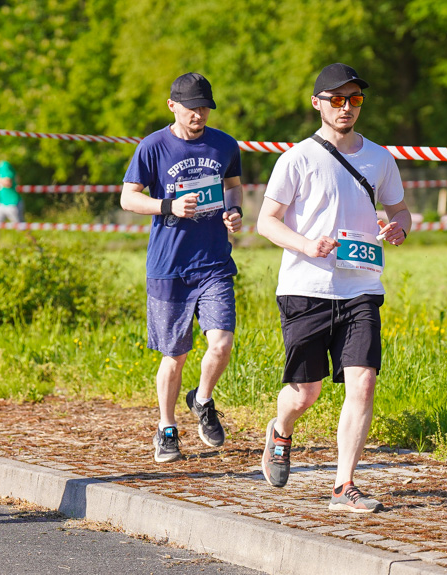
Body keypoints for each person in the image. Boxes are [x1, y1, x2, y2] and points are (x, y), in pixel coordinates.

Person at [256, 63, 412, 513]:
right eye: (337, 99)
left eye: (355, 100)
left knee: (362, 382)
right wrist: (307, 244)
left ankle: (344, 486)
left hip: (361, 285)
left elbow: (399, 210)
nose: (346, 108)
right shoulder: (297, 158)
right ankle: (281, 430)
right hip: (306, 286)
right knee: (306, 392)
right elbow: (267, 221)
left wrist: (399, 228)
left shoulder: (380, 158)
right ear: (317, 103)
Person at [120, 72, 243, 463]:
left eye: (205, 108)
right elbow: (127, 198)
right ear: (172, 105)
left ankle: (202, 399)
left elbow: (234, 185)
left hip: (214, 263)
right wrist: (167, 206)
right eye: (193, 108)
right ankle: (166, 427)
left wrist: (235, 210)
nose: (200, 115)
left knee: (221, 344)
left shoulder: (224, 144)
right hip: (169, 267)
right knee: (174, 355)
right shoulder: (153, 147)